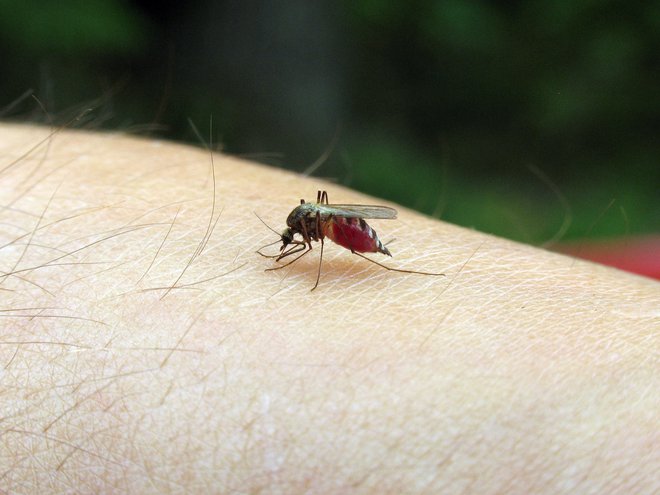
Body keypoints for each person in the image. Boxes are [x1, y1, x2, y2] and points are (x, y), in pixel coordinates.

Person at [1, 123, 658, 493]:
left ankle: (380, 252)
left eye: (294, 237)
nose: (294, 241)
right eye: (298, 237)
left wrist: (333, 248)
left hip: (354, 228)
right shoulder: (306, 219)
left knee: (335, 234)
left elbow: (324, 229)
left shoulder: (320, 229)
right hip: (345, 220)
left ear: (301, 229)